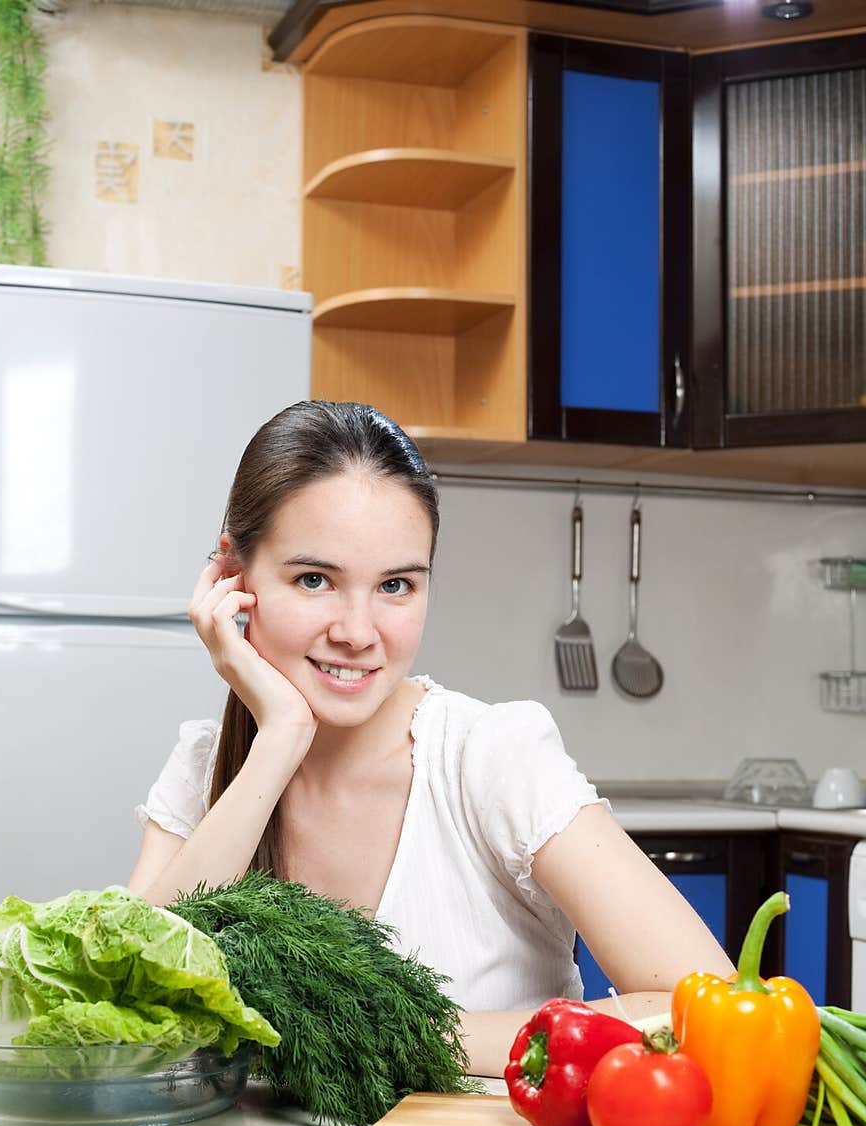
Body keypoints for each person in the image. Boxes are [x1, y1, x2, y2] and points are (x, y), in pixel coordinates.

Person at [128, 399, 734, 1077]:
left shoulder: (490, 758)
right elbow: (135, 1007)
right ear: (233, 574)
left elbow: (703, 1009)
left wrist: (406, 1035)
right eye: (314, 579)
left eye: (395, 585)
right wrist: (280, 740)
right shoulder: (208, 768)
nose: (358, 632)